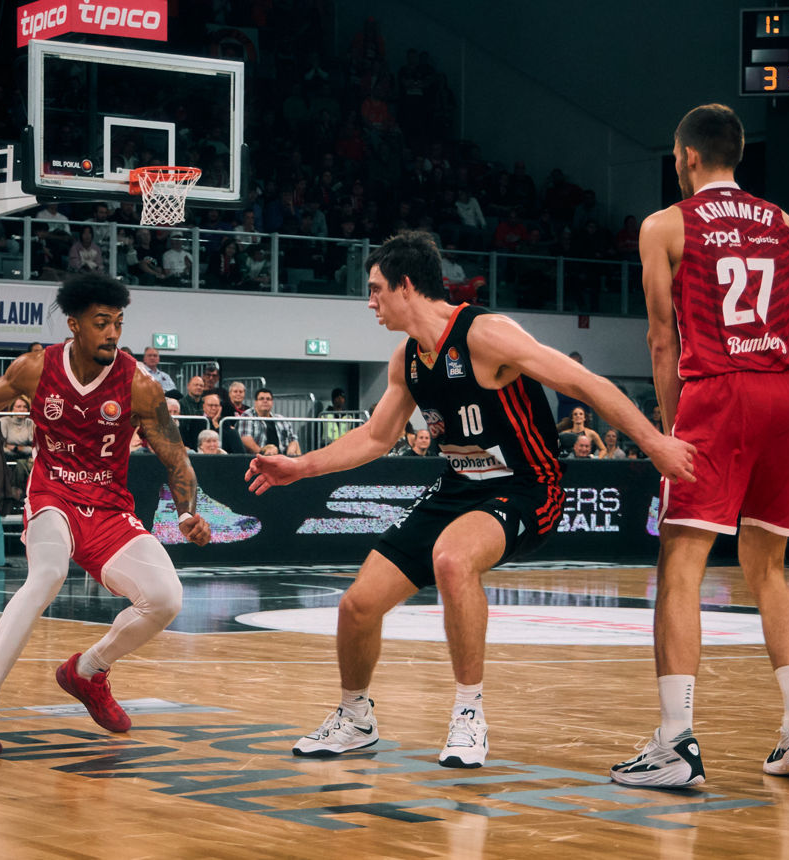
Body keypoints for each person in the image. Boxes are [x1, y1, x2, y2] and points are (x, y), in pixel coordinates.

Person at [245, 230, 694, 768]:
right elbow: (376, 437)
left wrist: (654, 444)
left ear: (406, 286)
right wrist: (301, 467)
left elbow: (585, 385)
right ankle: (355, 717)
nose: (370, 302)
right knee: (358, 605)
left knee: (453, 559)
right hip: (460, 485)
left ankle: (468, 716)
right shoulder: (407, 359)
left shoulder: (486, 334)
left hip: (529, 486)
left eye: (376, 290)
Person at [0, 273, 211, 758]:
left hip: (109, 507)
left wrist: (190, 511)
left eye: (118, 323)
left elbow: (175, 457)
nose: (112, 332)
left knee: (166, 598)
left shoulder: (140, 385)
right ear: (74, 325)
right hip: (53, 493)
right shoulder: (35, 368)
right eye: (101, 322)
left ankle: (88, 671)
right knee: (48, 574)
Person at [612, 104, 789, 790]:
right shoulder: (786, 224)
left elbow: (661, 337)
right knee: (769, 569)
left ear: (689, 157)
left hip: (721, 392)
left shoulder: (666, 224)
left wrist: (672, 429)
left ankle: (676, 742)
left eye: (676, 157)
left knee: (681, 564)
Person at [238, 388, 301, 456]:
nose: (265, 401)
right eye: (261, 399)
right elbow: (245, 439)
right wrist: (263, 454)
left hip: (282, 458)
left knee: (295, 445)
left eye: (268, 399)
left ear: (272, 402)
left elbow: (293, 439)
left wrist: (291, 452)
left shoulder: (281, 419)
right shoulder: (247, 416)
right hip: (259, 457)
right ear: (255, 402)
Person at [0, 394, 35, 503]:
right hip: (6, 458)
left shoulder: (30, 423)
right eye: (18, 406)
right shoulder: (4, 421)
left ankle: (18, 494)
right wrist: (22, 449)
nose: (22, 409)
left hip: (25, 459)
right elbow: (2, 448)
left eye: (25, 407)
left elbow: (33, 448)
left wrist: (14, 448)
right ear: (12, 408)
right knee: (20, 464)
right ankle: (20, 494)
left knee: (22, 464)